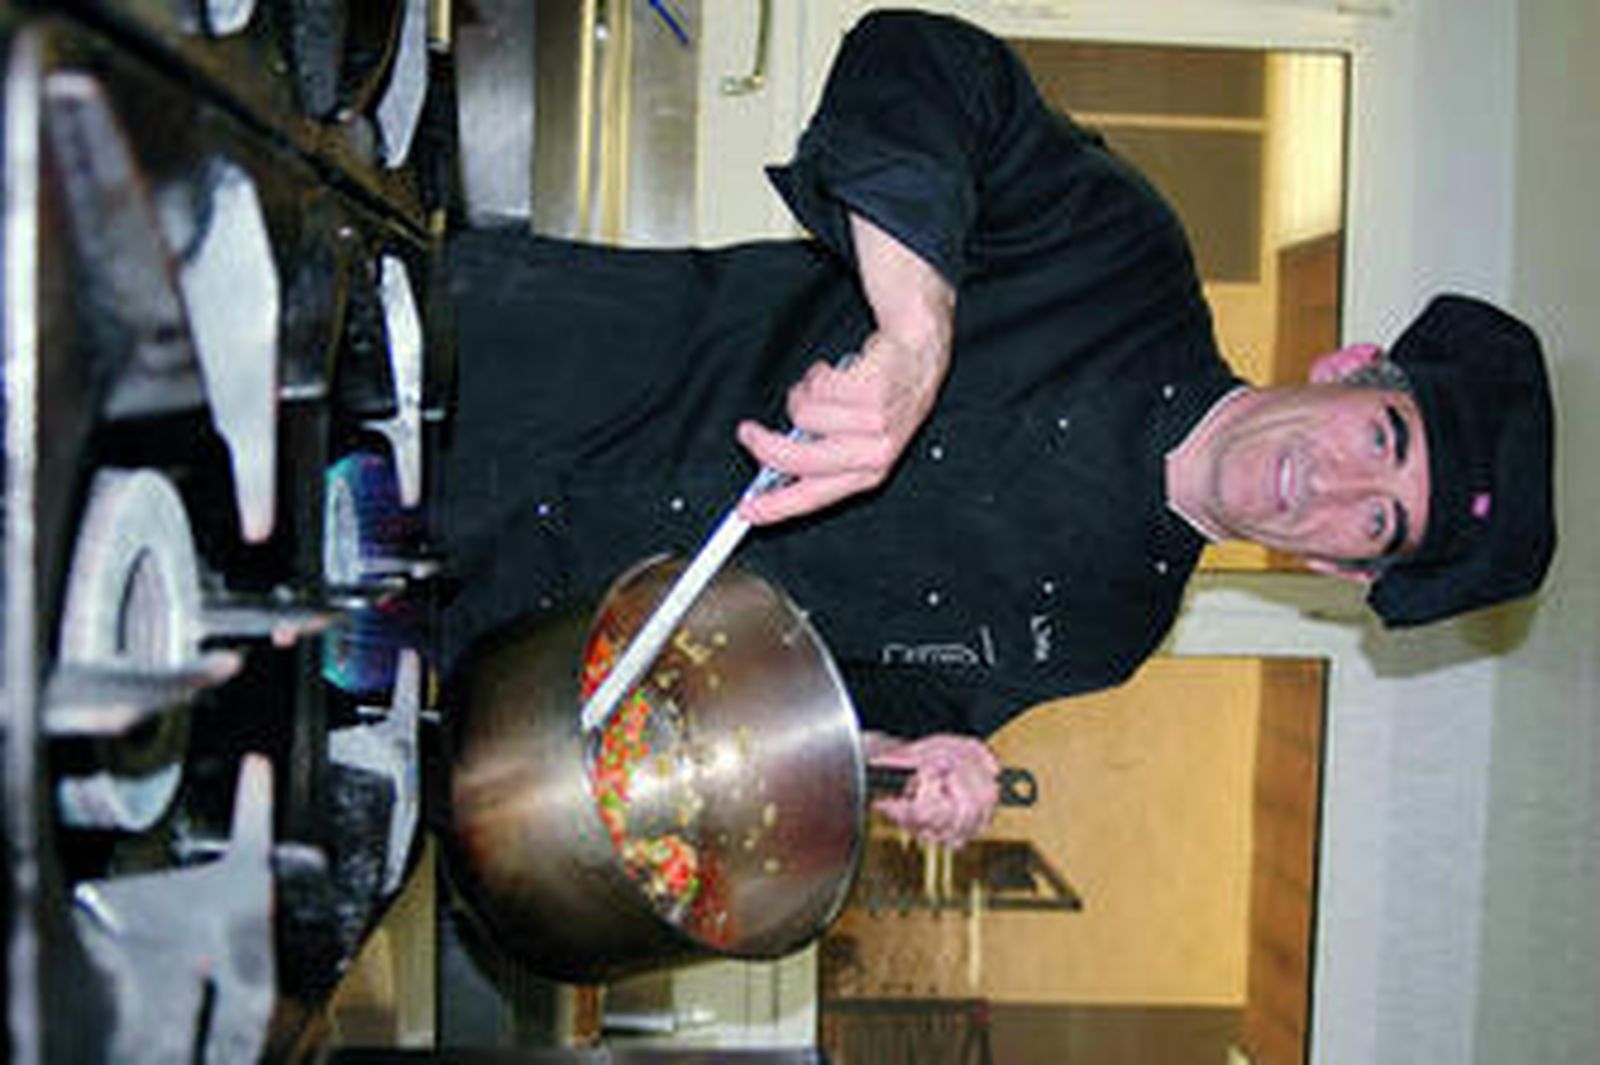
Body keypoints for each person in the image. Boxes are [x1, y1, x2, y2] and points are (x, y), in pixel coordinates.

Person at [440, 10, 1555, 846]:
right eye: (1381, 442)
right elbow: (919, 57)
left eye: (1374, 525)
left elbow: (819, 705)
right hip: (499, 367)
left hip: (509, 654)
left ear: (1332, 564)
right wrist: (916, 332)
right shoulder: (1125, 259)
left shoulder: (1108, 633)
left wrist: (885, 763)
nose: (1332, 492)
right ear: (1351, 368)